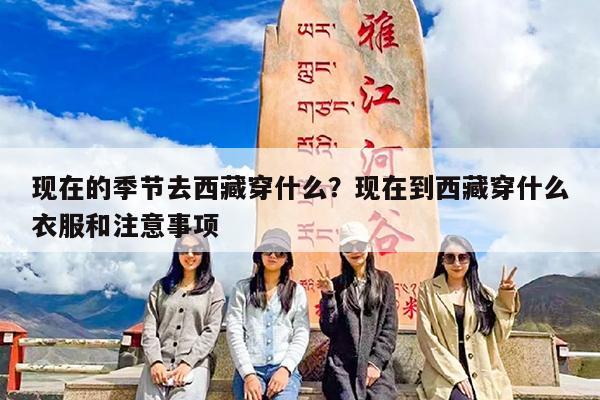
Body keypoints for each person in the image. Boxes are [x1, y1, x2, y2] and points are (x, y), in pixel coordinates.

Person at [416, 234, 520, 400]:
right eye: (450, 257)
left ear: (471, 260)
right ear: (442, 260)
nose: (456, 263)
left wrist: (505, 297)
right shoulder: (428, 291)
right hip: (444, 371)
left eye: (462, 257)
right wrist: (457, 375)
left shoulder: (485, 294)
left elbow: (499, 337)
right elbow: (426, 338)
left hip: (482, 369)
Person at [136, 232, 225, 400]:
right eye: (184, 249)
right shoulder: (160, 287)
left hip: (195, 364)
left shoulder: (214, 289)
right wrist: (155, 362)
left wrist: (187, 363)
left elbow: (211, 332)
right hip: (158, 362)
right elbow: (149, 329)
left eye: (196, 250)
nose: (190, 255)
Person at [316, 221, 398, 400]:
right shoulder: (336, 284)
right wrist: (328, 296)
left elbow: (389, 328)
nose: (355, 251)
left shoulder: (384, 281)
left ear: (368, 247)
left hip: (376, 367)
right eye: (348, 246)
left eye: (359, 244)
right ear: (342, 252)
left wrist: (376, 363)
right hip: (342, 368)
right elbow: (329, 329)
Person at [226, 228, 309, 400]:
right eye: (268, 250)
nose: (273, 256)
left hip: (283, 368)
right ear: (260, 255)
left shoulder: (297, 292)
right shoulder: (242, 289)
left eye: (279, 252)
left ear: (287, 258)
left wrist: (285, 369)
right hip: (250, 368)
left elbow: (301, 333)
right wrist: (248, 375)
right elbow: (234, 333)